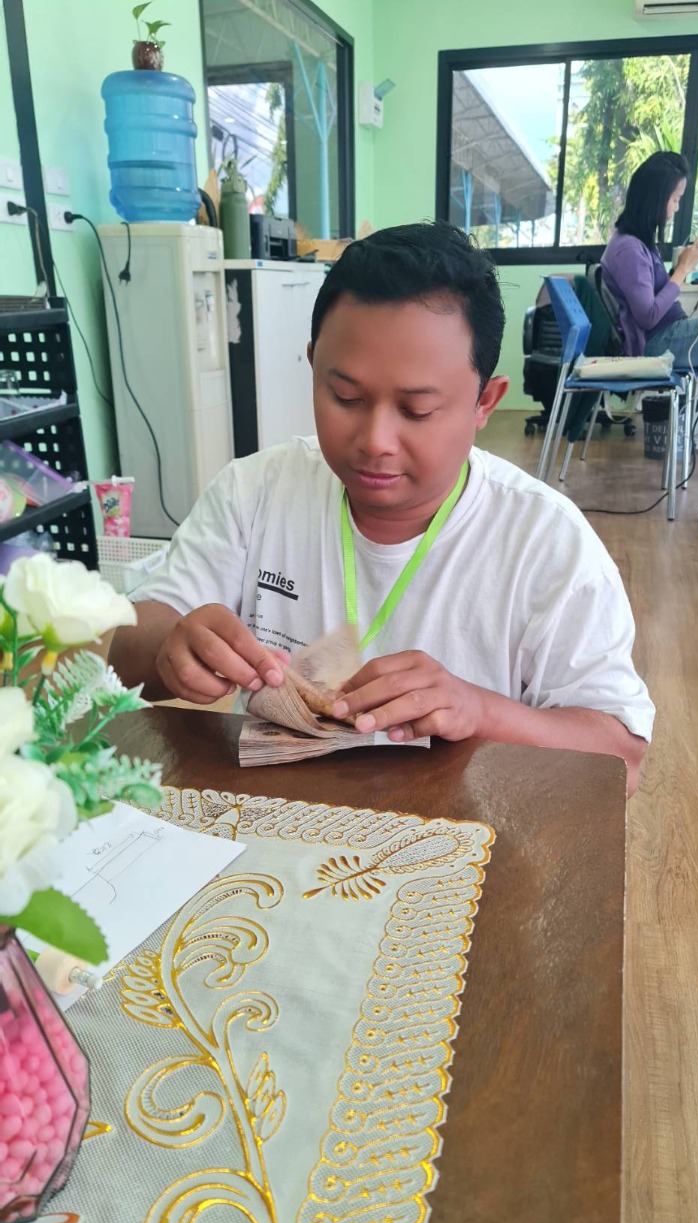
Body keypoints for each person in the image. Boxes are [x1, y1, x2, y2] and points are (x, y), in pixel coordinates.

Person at [110, 222, 654, 794]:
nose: (375, 440)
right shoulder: (256, 492)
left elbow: (623, 758)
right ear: (313, 366)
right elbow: (126, 644)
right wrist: (171, 647)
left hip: (470, 828)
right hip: (279, 814)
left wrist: (478, 711)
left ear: (484, 402)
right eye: (345, 397)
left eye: (417, 411)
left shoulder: (544, 543)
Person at [601, 151, 698, 367]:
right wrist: (682, 270)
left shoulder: (639, 241)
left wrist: (682, 264)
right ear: (655, 199)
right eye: (675, 199)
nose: (677, 207)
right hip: (655, 343)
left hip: (664, 333)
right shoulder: (629, 249)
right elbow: (648, 316)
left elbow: (652, 294)